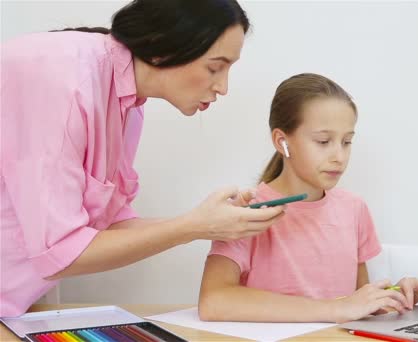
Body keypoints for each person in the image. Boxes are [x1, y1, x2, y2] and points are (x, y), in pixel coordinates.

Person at [0, 0, 285, 317]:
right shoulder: (62, 77)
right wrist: (195, 226)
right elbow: (59, 252)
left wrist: (212, 222)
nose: (223, 87)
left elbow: (113, 225)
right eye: (215, 67)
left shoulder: (128, 105)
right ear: (161, 47)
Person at [198, 73, 418, 323]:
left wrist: (395, 298)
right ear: (282, 141)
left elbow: (357, 305)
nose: (339, 156)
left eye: (347, 141)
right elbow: (213, 302)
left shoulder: (354, 209)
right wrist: (334, 310)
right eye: (323, 141)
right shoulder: (244, 213)